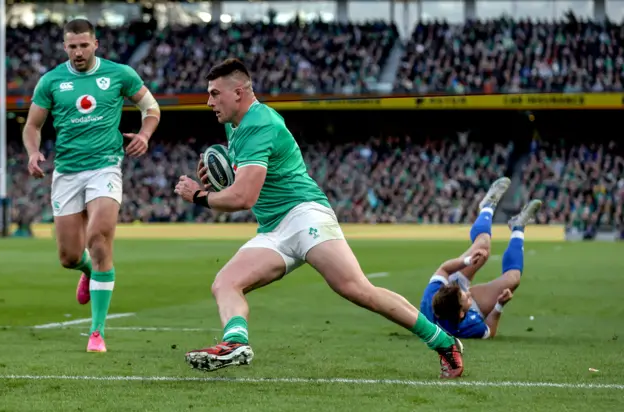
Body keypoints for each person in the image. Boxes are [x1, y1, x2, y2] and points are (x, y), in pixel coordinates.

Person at [174, 58, 464, 379]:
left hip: (304, 214)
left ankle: (443, 342)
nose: (209, 101)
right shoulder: (235, 124)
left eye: (215, 94)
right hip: (274, 228)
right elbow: (248, 182)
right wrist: (222, 179)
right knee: (225, 283)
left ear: (239, 92)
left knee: (355, 288)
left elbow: (244, 198)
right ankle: (235, 343)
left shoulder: (259, 123)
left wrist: (199, 196)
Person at [22, 18, 161, 352]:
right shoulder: (51, 81)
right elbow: (32, 125)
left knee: (99, 237)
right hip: (67, 172)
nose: (78, 52)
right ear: (65, 46)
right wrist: (32, 152)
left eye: (84, 45)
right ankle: (85, 270)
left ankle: (96, 332)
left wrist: (144, 134)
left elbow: (151, 108)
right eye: (72, 46)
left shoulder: (120, 74)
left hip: (105, 167)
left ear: (95, 44)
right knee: (69, 256)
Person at [420, 176, 542, 339]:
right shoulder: (468, 327)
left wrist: (467, 261)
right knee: (513, 280)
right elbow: (490, 331)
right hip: (467, 309)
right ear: (462, 314)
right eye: (465, 297)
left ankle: (487, 206)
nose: (468, 292)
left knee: (483, 247)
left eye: (464, 293)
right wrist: (499, 306)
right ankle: (517, 227)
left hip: (452, 300)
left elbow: (444, 269)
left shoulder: (432, 297)